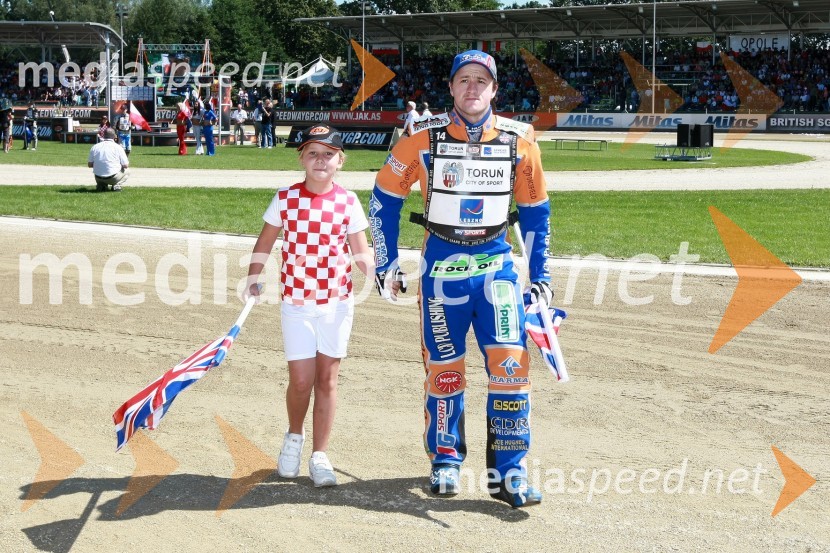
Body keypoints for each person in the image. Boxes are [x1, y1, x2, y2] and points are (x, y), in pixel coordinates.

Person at [369, 50, 551, 508]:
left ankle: (509, 473)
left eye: (481, 81)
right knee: (445, 370)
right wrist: (386, 263)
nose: (472, 88)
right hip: (441, 273)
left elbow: (535, 212)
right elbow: (384, 198)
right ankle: (446, 460)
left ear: (495, 89)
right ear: (450, 87)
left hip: (497, 272)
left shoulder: (520, 140)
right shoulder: (420, 138)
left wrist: (541, 274)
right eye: (464, 79)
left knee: (511, 368)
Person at [245, 124, 374, 487]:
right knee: (301, 381)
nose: (321, 160)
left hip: (336, 304)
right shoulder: (285, 198)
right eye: (313, 153)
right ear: (301, 158)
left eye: (328, 154)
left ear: (340, 161)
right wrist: (253, 276)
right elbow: (265, 241)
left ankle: (320, 454)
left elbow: (360, 252)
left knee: (327, 379)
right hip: (297, 303)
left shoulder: (348, 201)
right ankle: (294, 436)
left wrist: (380, 274)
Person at [88, 128, 129, 192]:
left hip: (98, 177)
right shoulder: (118, 147)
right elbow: (125, 165)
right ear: (114, 136)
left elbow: (90, 165)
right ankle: (117, 185)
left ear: (103, 135)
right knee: (127, 171)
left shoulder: (95, 147)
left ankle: (102, 186)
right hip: (113, 178)